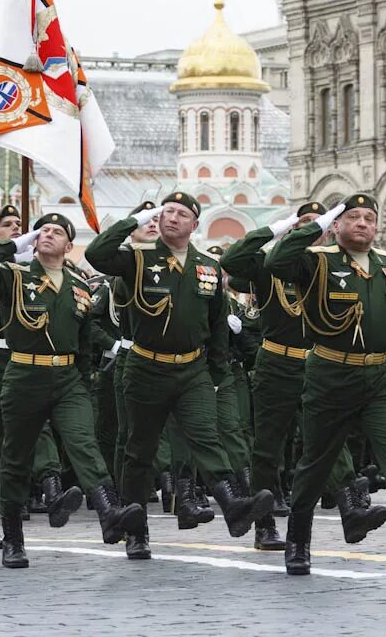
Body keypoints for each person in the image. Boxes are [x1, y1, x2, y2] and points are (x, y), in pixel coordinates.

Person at [265, 196, 386, 573]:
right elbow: (276, 261)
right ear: (336, 225)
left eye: (369, 218)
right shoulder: (317, 260)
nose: (363, 223)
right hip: (331, 372)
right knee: (317, 460)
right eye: (353, 217)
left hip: (380, 375)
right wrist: (316, 225)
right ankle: (298, 541)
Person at [86, 192, 273, 560]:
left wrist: (217, 371)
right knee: (138, 450)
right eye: (166, 212)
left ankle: (232, 504)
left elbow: (218, 323)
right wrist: (136, 219)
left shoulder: (206, 266)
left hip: (192, 368)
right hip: (145, 366)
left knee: (206, 437)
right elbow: (97, 254)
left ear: (195, 225)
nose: (172, 218)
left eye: (181, 214)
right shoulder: (137, 259)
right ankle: (136, 531)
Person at [0, 212, 145, 568]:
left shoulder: (79, 287)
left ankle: (109, 513)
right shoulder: (15, 276)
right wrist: (16, 243)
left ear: (68, 246)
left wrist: (82, 379)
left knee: (84, 443)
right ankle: (13, 539)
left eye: (56, 232)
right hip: (23, 375)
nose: (47, 235)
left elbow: (82, 340)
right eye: (42, 230)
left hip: (66, 379)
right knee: (15, 459)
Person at [222, 202, 373, 551]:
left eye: (320, 225)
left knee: (329, 438)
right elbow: (232, 263)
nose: (313, 231)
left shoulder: (336, 265)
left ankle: (351, 508)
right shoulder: (268, 264)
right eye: (305, 224)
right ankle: (264, 525)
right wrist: (278, 227)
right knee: (267, 447)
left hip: (319, 364)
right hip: (276, 362)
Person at [0, 205, 62, 551]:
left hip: (30, 357)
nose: (19, 230)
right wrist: (9, 249)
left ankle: (50, 492)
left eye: (20, 225)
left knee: (39, 431)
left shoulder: (36, 271)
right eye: (7, 226)